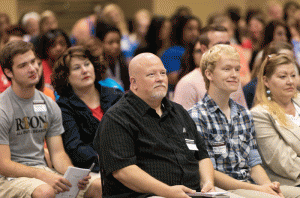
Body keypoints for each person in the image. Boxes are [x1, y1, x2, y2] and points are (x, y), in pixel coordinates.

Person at [93, 52, 221, 198]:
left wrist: (208, 184)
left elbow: (202, 156)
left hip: (194, 194)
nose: (160, 79)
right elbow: (123, 171)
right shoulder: (117, 118)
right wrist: (167, 192)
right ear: (134, 83)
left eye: (163, 73)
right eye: (151, 75)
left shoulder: (178, 112)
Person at [188, 44, 300, 197]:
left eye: (237, 69)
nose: (234, 74)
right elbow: (208, 172)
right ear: (209, 74)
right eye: (227, 69)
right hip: (221, 189)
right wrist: (260, 190)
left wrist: (269, 187)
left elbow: (254, 163)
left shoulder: (243, 113)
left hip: (249, 185)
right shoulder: (196, 116)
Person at [0, 40, 101, 198]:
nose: (32, 69)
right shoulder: (2, 108)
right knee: (45, 191)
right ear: (8, 72)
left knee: (97, 186)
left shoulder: (48, 103)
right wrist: (42, 175)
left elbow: (58, 154)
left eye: (34, 62)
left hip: (42, 172)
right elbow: (3, 165)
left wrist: (72, 176)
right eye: (23, 65)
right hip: (7, 178)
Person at [52, 46, 123, 174]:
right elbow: (74, 147)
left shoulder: (116, 95)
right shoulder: (64, 107)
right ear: (66, 77)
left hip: (128, 160)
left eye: (87, 64)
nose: (84, 70)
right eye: (77, 68)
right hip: (94, 169)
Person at [250, 54, 300, 187]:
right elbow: (283, 162)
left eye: (293, 75)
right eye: (283, 77)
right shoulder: (260, 114)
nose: (290, 81)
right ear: (266, 81)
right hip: (291, 182)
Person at [174, 26, 248, 110]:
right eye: (219, 45)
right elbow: (182, 121)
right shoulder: (188, 84)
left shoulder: (233, 78)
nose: (225, 50)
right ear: (204, 49)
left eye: (227, 44)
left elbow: (244, 115)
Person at [243, 41, 294, 108]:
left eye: (291, 59)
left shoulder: (295, 95)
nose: (290, 81)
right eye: (283, 59)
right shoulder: (252, 89)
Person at [96, 21, 129, 91]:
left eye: (118, 42)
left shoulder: (123, 63)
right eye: (110, 42)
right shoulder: (97, 66)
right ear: (100, 43)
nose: (116, 46)